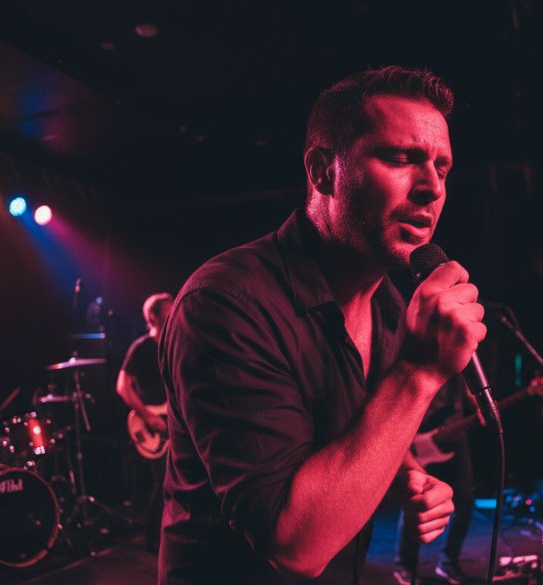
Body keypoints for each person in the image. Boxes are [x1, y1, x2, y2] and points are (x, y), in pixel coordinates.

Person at [159, 66, 481, 584]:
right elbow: (293, 547)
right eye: (402, 159)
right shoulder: (225, 303)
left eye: (442, 168)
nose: (431, 189)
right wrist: (419, 372)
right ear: (323, 171)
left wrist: (407, 476)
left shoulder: (390, 308)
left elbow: (342, 432)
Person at [394, 376, 475, 585]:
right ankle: (405, 564)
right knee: (418, 499)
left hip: (455, 438)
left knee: (464, 503)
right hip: (422, 436)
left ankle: (448, 563)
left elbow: (468, 394)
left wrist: (479, 406)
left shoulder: (467, 359)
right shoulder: (423, 349)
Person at [116, 292, 173, 552]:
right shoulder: (141, 348)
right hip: (152, 424)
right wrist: (148, 415)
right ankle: (154, 541)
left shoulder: (174, 345)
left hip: (174, 422)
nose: (175, 313)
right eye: (168, 310)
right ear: (153, 317)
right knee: (162, 482)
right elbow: (122, 386)